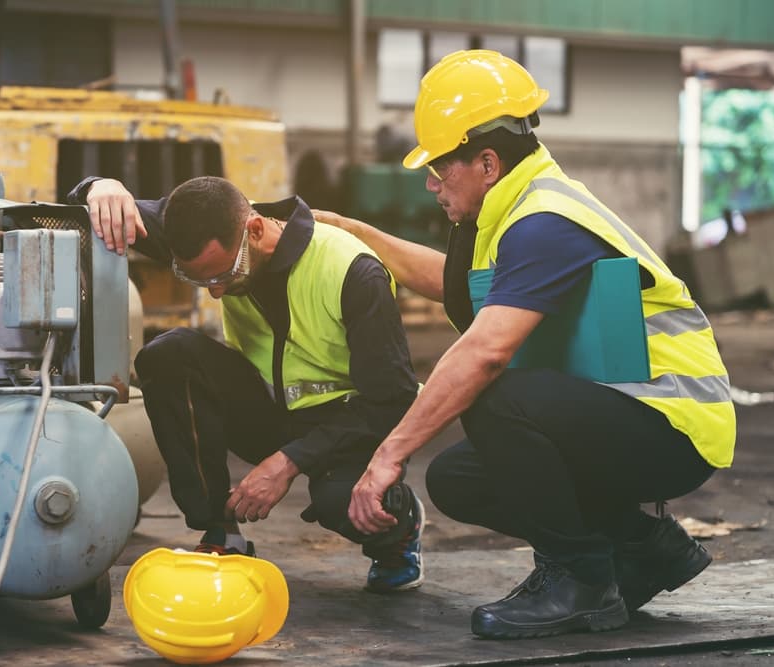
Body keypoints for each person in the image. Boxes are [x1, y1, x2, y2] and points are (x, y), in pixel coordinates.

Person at [314, 50, 736, 638]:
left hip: (674, 422)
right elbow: (455, 286)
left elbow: (484, 352)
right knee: (460, 477)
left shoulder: (544, 220)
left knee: (491, 392)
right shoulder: (515, 208)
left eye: (440, 168)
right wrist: (358, 235)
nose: (431, 183)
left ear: (487, 161)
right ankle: (643, 549)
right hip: (623, 411)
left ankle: (581, 579)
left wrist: (387, 454)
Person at [67, 175, 426, 593]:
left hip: (347, 425)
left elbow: (392, 401)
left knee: (342, 503)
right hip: (270, 408)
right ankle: (220, 532)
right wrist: (98, 187)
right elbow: (100, 210)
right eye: (199, 282)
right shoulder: (207, 227)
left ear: (255, 231)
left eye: (224, 275)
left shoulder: (353, 272)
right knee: (169, 354)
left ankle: (399, 533)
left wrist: (286, 462)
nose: (216, 292)